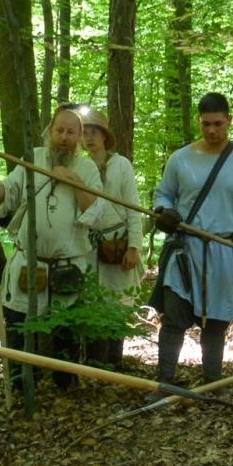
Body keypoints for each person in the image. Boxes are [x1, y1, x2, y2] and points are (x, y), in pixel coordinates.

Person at [152, 92, 233, 384]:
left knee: (215, 323)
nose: (211, 130)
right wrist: (164, 211)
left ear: (229, 121)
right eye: (206, 124)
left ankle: (212, 384)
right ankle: (164, 383)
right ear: (199, 121)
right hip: (185, 250)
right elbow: (163, 194)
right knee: (173, 318)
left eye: (218, 124)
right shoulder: (180, 159)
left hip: (225, 252)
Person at [0, 103, 108, 385]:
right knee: (19, 326)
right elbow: (7, 195)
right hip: (27, 263)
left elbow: (95, 213)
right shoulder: (32, 158)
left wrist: (73, 181)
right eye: (59, 131)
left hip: (67, 266)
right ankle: (22, 385)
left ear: (79, 136)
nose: (64, 137)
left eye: (70, 132)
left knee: (65, 332)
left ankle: (65, 387)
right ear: (50, 131)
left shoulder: (86, 167)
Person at [80, 107, 144, 368]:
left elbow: (133, 208)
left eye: (94, 132)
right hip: (88, 245)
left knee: (118, 304)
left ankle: (114, 364)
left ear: (104, 136)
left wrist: (134, 246)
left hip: (118, 243)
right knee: (92, 302)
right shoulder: (79, 166)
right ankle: (95, 364)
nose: (89, 137)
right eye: (84, 132)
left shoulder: (121, 165)